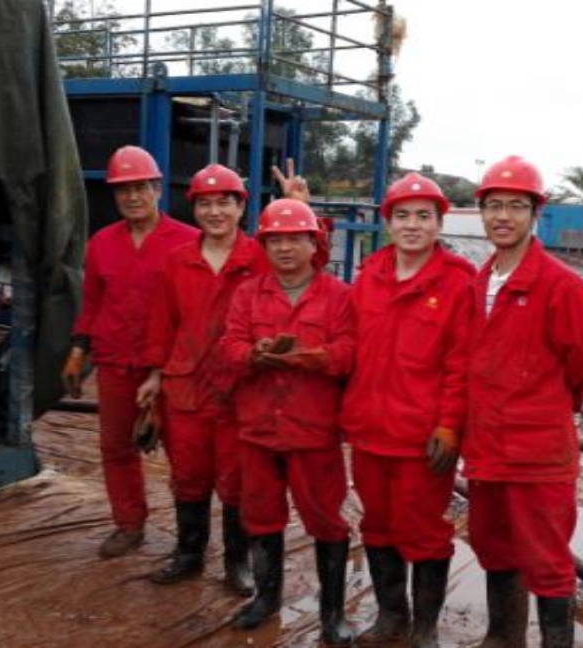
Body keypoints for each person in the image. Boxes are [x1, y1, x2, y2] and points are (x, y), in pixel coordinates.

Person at [463, 156, 583, 647]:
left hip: (538, 453)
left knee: (546, 561)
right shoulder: (479, 282)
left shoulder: (562, 287)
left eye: (516, 206)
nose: (503, 216)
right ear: (482, 212)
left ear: (535, 213)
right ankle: (503, 638)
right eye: (494, 206)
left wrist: (542, 405)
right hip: (487, 448)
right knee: (493, 546)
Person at [339, 173, 475, 648]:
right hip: (369, 430)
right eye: (402, 216)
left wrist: (449, 425)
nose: (412, 225)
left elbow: (461, 364)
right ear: (388, 223)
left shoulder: (458, 282)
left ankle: (425, 629)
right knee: (377, 526)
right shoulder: (369, 277)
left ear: (439, 223)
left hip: (422, 438)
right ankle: (391, 618)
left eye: (423, 216)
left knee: (424, 531)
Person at [219, 198, 355, 647]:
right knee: (260, 516)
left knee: (326, 519)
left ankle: (332, 614)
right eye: (275, 240)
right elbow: (230, 346)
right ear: (264, 246)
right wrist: (253, 355)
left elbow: (349, 352)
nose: (284, 248)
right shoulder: (248, 293)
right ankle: (266, 598)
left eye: (295, 238)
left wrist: (314, 358)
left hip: (312, 430)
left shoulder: (338, 296)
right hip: (258, 427)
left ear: (314, 243)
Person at [136, 163, 269, 595]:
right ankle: (189, 553)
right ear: (193, 209)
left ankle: (237, 561)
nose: (215, 212)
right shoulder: (177, 261)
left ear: (241, 207)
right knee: (189, 474)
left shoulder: (260, 258)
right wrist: (154, 375)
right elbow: (162, 322)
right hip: (186, 385)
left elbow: (307, 269)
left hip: (239, 387)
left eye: (224, 203)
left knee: (237, 478)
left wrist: (301, 210)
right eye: (205, 204)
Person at [63, 145, 199, 559]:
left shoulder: (188, 242)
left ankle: (190, 540)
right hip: (116, 362)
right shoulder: (102, 244)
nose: (133, 197)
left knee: (185, 454)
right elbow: (92, 304)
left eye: (141, 187)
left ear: (157, 189)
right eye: (124, 189)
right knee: (116, 448)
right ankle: (129, 524)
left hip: (173, 368)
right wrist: (78, 349)